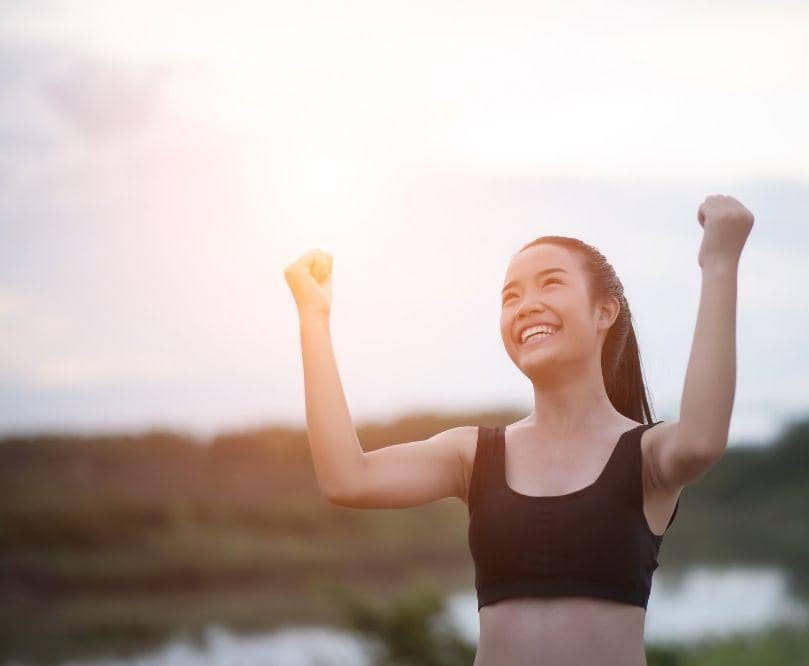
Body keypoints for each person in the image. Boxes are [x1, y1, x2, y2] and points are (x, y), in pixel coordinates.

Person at [283, 194, 754, 665]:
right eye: (511, 296)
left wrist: (720, 262)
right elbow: (348, 478)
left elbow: (702, 439)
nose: (526, 306)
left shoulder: (646, 456)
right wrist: (313, 317)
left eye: (551, 283)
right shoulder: (474, 454)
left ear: (604, 312)